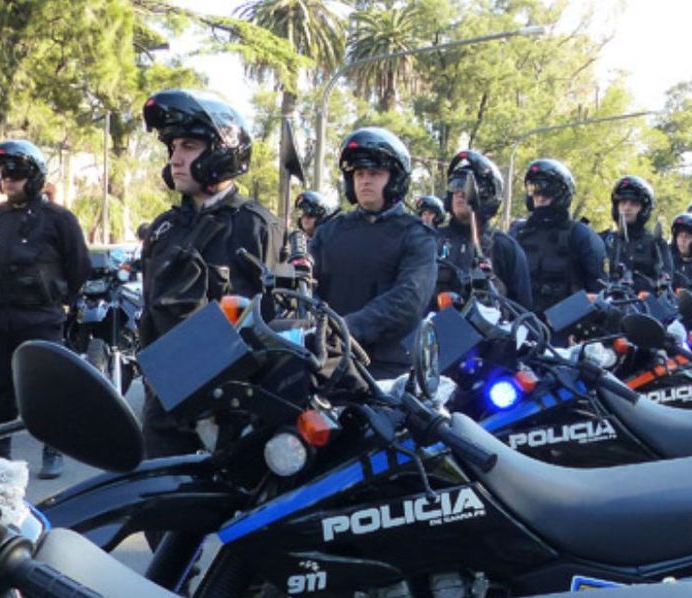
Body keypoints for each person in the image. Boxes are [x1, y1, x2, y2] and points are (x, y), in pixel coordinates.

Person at [138, 89, 286, 458]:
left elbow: (269, 327)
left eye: (188, 146)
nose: (175, 158)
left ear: (222, 150)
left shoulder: (256, 226)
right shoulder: (164, 228)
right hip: (164, 406)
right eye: (172, 148)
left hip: (228, 415)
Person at [0, 139, 90, 478]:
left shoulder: (59, 218)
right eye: (3, 172)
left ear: (35, 176)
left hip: (40, 317)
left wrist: (54, 298)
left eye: (17, 172)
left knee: (45, 386)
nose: (8, 179)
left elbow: (78, 266)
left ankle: (53, 447)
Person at [308, 127, 436, 379]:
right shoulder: (329, 232)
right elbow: (306, 286)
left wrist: (346, 327)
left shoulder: (417, 235)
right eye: (359, 173)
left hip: (388, 370)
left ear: (395, 179)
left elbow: (409, 298)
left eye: (375, 173)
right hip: (328, 361)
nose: (365, 180)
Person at [434, 150, 532, 309]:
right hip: (432, 331)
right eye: (455, 185)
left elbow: (523, 310)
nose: (459, 192)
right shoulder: (429, 241)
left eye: (466, 185)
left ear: (488, 195)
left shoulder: (505, 247)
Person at [510, 159, 607, 313]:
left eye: (547, 192)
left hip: (568, 325)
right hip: (519, 322)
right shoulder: (518, 232)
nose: (540, 198)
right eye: (535, 191)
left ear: (561, 194)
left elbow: (599, 293)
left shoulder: (581, 235)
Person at [604, 176, 672, 293]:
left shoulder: (655, 244)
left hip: (645, 307)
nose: (627, 207)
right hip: (606, 305)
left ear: (644, 208)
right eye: (623, 202)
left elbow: (666, 278)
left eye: (633, 203)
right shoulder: (604, 240)